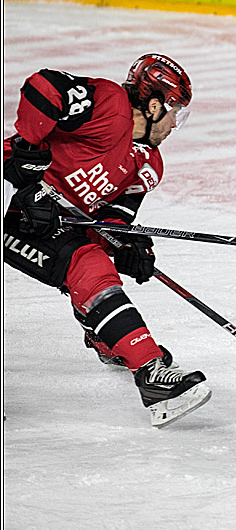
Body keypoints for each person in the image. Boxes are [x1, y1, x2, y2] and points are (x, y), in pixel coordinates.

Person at [3, 54, 211, 427]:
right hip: (13, 198)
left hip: (43, 224)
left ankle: (120, 347)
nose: (174, 125)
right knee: (87, 261)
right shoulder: (110, 106)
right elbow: (44, 85)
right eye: (174, 111)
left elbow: (113, 220)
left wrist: (130, 246)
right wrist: (28, 154)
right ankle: (148, 369)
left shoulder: (148, 161)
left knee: (92, 256)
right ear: (152, 105)